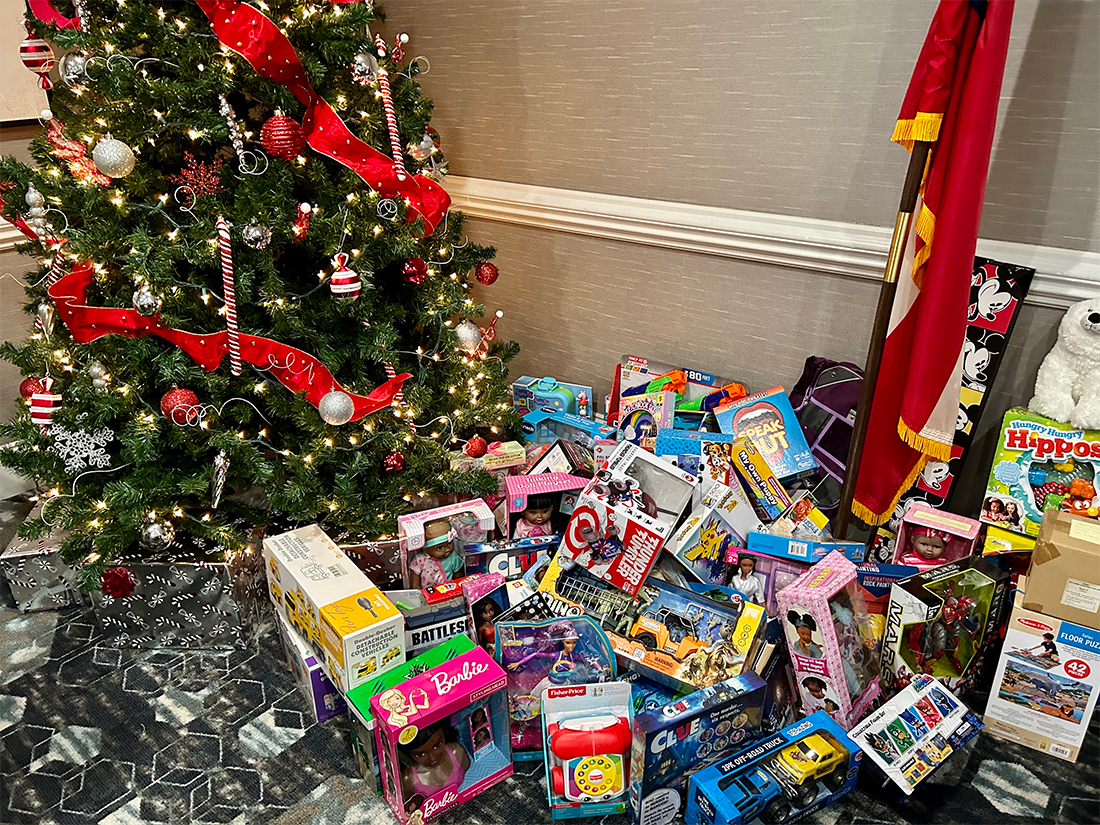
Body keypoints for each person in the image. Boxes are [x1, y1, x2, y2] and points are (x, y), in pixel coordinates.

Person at [398, 721, 470, 799]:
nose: (433, 758)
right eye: (420, 755)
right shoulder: (408, 779)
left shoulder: (457, 753)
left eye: (437, 746)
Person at [408, 518, 463, 589]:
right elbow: (415, 582)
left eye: (450, 543)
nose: (447, 549)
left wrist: (457, 588)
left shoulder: (453, 557)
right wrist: (417, 591)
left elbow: (459, 576)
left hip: (448, 591)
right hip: (427, 594)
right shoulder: (420, 560)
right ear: (426, 549)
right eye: (440, 548)